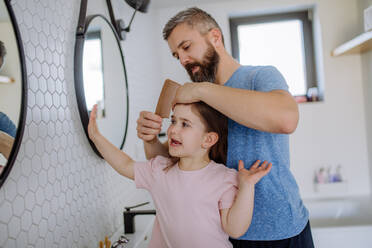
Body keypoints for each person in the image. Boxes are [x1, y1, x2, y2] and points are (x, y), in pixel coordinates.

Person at [136, 7, 314, 248]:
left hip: (279, 231)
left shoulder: (259, 77)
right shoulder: (196, 101)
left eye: (186, 47)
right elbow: (170, 162)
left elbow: (287, 119)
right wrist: (150, 140)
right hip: (221, 233)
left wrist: (201, 90)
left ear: (215, 37)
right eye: (177, 55)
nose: (183, 60)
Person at [88, 102, 272, 248]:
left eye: (185, 124)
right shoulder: (160, 170)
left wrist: (247, 186)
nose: (173, 130)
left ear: (208, 139)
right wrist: (96, 136)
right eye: (173, 121)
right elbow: (125, 164)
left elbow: (235, 228)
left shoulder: (224, 178)